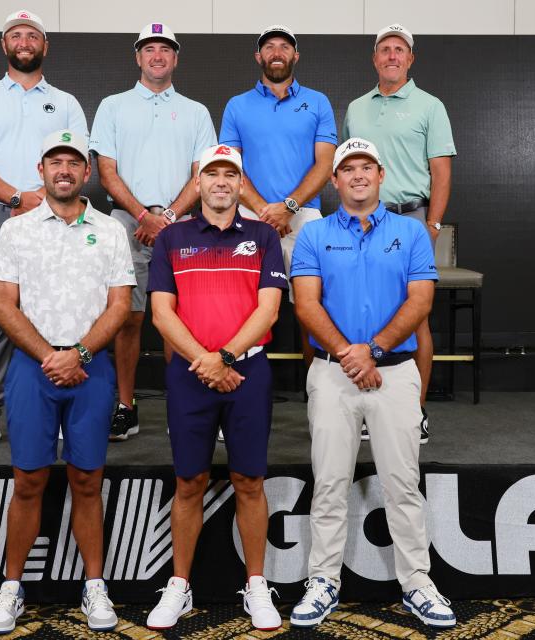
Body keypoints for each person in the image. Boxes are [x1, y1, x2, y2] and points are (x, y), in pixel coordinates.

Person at [288, 138, 456, 629]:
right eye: (348, 169)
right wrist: (349, 354)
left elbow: (420, 301)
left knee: (403, 483)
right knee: (330, 482)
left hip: (395, 372)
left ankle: (417, 582)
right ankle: (323, 580)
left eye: (366, 167)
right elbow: (306, 305)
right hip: (332, 372)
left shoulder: (411, 232)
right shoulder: (315, 235)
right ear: (335, 180)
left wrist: (374, 349)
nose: (357, 175)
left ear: (381, 176)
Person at [0, 130, 135, 634]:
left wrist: (80, 353)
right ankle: (11, 587)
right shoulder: (16, 229)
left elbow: (120, 305)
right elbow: (3, 304)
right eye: (55, 162)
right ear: (41, 171)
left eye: (73, 162)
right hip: (34, 367)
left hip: (91, 369)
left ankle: (94, 586)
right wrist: (52, 356)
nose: (64, 170)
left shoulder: (111, 230)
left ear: (86, 173)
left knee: (87, 481)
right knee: (28, 481)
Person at [144, 145, 288, 631]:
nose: (221, 182)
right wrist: (206, 362)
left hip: (246, 373)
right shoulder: (171, 239)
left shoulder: (265, 236)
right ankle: (179, 586)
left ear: (240, 183)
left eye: (231, 174)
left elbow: (269, 310)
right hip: (191, 376)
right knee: (189, 482)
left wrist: (223, 358)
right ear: (198, 183)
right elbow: (162, 313)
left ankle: (256, 584)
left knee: (250, 481)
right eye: (212, 174)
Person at [0, 9, 88, 447]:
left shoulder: (66, 102)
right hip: (0, 219)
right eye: (16, 35)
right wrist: (19, 198)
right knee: (0, 315)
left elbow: (76, 163)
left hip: (61, 219)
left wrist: (43, 202)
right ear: (5, 45)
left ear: (44, 46)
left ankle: (53, 411)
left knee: (61, 311)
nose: (25, 41)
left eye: (33, 35)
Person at [90, 22, 217, 441]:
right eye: (149, 49)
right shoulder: (112, 106)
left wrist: (167, 217)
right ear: (138, 57)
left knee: (180, 320)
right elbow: (106, 173)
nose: (157, 55)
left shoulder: (196, 111)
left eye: (165, 49)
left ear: (175, 58)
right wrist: (144, 215)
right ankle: (127, 406)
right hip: (127, 225)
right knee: (129, 318)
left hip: (183, 226)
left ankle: (184, 405)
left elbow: (203, 175)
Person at [342, 23, 456, 443]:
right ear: (375, 58)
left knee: (416, 316)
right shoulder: (357, 108)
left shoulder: (430, 106)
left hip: (411, 220)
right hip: (362, 221)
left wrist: (432, 226)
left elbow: (441, 172)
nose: (392, 55)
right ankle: (369, 408)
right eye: (384, 49)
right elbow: (348, 171)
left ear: (410, 59)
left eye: (399, 49)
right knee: (366, 310)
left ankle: (415, 410)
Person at [218, 24, 337, 369]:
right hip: (251, 219)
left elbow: (325, 162)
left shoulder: (317, 102)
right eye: (269, 46)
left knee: (311, 307)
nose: (277, 52)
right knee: (242, 307)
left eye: (284, 46)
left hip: (304, 220)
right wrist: (265, 212)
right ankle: (238, 385)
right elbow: (231, 165)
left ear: (295, 55)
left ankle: (320, 390)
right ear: (259, 56)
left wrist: (288, 207)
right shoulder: (237, 106)